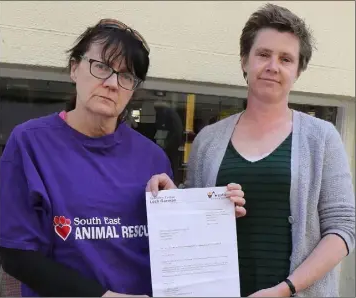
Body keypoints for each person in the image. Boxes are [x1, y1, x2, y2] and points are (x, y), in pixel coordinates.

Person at [147, 3, 355, 297]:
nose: (273, 66)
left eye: (286, 59)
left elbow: (343, 229)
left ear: (298, 70)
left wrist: (286, 289)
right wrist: (174, 198)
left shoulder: (322, 138)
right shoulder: (208, 140)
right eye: (263, 54)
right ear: (245, 61)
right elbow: (196, 218)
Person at [0, 18, 174, 297]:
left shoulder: (153, 158)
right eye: (102, 67)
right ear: (74, 68)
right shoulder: (30, 143)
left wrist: (196, 211)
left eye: (126, 76)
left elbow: (169, 250)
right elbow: (17, 255)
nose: (112, 83)